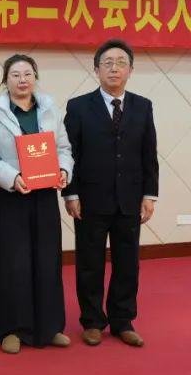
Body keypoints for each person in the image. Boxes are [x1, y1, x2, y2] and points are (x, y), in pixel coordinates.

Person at [62, 39, 158, 348]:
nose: (114, 68)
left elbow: (149, 154)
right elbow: (69, 153)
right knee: (89, 263)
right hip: (90, 200)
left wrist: (149, 195)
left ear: (131, 70)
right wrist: (70, 194)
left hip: (129, 198)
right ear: (96, 69)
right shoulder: (78, 107)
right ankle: (92, 321)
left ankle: (122, 321)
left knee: (127, 263)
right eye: (107, 63)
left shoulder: (143, 106)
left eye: (120, 63)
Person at [0, 54, 72, 353]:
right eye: (15, 75)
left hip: (45, 195)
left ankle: (50, 327)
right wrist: (13, 177)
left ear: (35, 77)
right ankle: (11, 329)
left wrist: (63, 170)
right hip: (13, 195)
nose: (22, 80)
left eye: (27, 74)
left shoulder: (50, 110)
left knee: (48, 260)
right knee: (13, 263)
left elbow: (64, 148)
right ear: (5, 80)